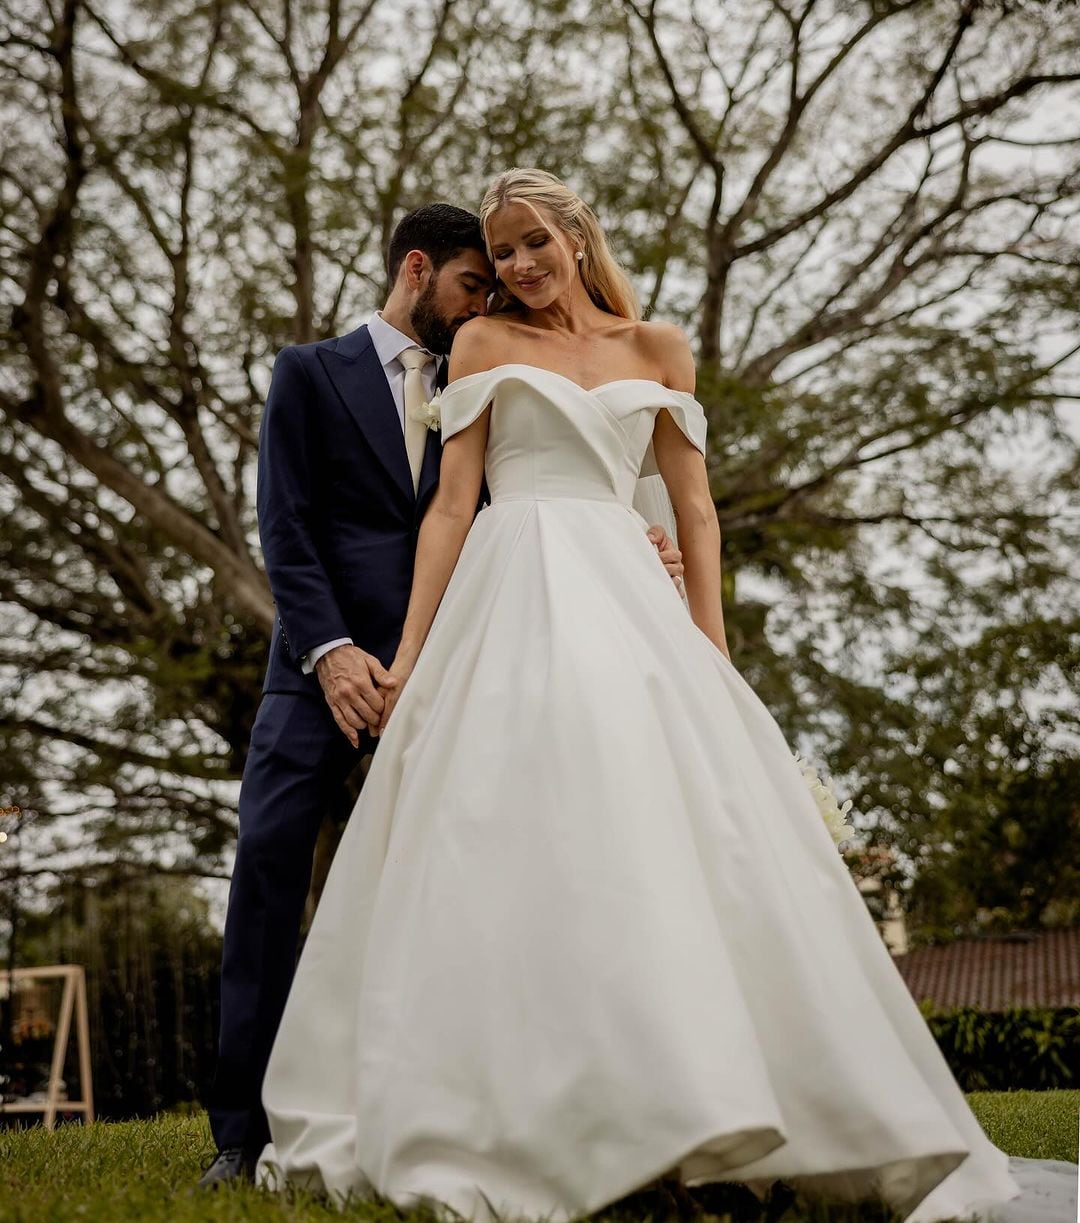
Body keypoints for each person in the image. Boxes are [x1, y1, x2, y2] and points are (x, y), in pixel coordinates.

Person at [255, 170, 1036, 1222]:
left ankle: (717, 1107)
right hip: (514, 581)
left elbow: (695, 510)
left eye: (535, 243)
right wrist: (410, 651)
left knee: (662, 825)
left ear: (576, 235)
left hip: (628, 594)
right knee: (519, 825)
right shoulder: (484, 347)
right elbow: (448, 508)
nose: (520, 268)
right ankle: (536, 1104)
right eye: (502, 253)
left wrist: (708, 652)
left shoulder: (661, 349)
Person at [200, 202, 684, 1186]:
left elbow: (539, 485)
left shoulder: (491, 365)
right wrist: (332, 652)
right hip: (321, 675)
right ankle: (241, 1131)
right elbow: (285, 532)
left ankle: (449, 1102)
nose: (485, 306)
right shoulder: (309, 374)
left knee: (468, 877)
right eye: (473, 284)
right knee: (269, 869)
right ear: (416, 270)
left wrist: (647, 534)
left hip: (464, 659)